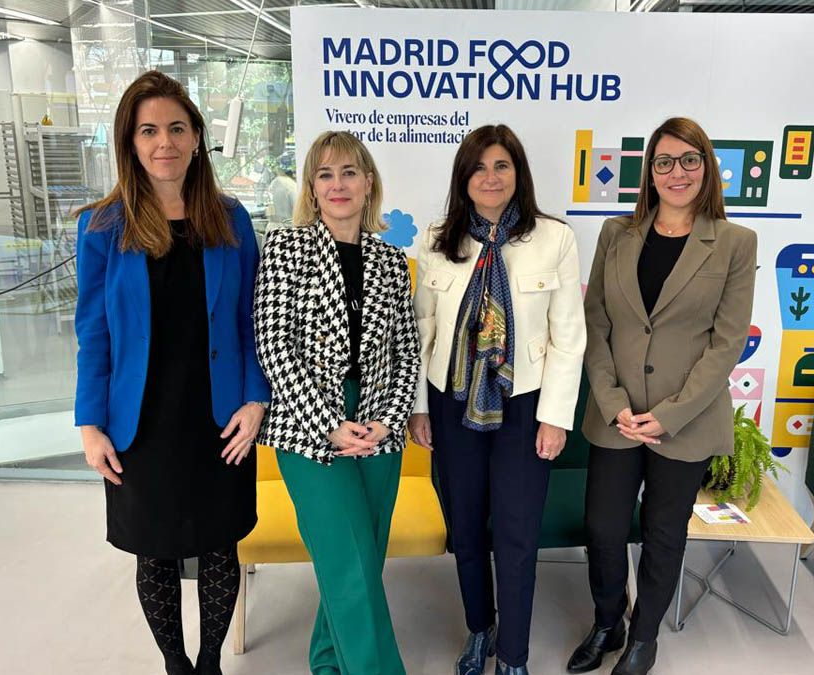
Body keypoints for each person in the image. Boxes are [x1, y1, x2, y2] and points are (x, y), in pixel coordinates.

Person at [74, 70, 270, 675]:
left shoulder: (230, 220)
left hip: (219, 416)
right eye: (149, 130)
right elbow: (94, 333)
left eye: (177, 128)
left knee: (219, 545)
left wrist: (256, 399)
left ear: (196, 137)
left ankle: (209, 663)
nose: (165, 142)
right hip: (139, 421)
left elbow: (251, 319)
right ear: (130, 142)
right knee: (153, 551)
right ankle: (175, 666)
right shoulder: (102, 226)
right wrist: (89, 423)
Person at [569, 117, 757, 675]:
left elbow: (727, 343)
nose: (678, 172)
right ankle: (609, 620)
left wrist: (670, 414)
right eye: (665, 161)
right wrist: (612, 402)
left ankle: (644, 637)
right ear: (650, 171)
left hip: (687, 420)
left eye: (690, 160)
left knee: (663, 533)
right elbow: (595, 322)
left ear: (707, 168)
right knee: (604, 528)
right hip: (617, 415)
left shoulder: (734, 243)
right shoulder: (616, 234)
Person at [409, 124, 586, 675]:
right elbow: (421, 330)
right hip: (452, 403)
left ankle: (513, 654)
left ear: (518, 174)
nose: (490, 177)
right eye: (479, 167)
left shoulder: (554, 239)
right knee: (465, 528)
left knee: (516, 534)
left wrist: (555, 418)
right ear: (463, 178)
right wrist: (419, 407)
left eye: (501, 166)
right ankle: (479, 628)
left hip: (525, 407)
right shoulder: (438, 239)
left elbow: (568, 336)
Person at [252, 130, 419, 675]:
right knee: (347, 561)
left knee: (362, 558)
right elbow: (274, 347)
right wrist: (328, 423)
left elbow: (405, 350)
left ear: (368, 182)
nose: (337, 184)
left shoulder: (391, 261)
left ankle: (327, 662)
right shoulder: (285, 248)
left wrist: (388, 419)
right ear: (312, 188)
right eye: (325, 174)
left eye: (349, 172)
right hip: (308, 428)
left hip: (377, 427)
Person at [268, 151, 297, 227]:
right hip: (290, 227)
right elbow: (299, 210)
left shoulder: (274, 183)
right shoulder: (292, 185)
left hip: (276, 227)